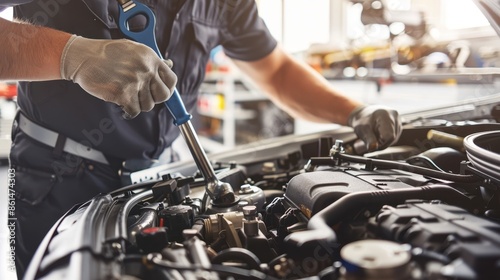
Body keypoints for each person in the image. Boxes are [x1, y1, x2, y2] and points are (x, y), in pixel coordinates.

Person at [0, 0, 402, 277]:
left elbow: (276, 72)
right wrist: (72, 55)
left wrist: (353, 111)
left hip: (160, 173)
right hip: (54, 176)